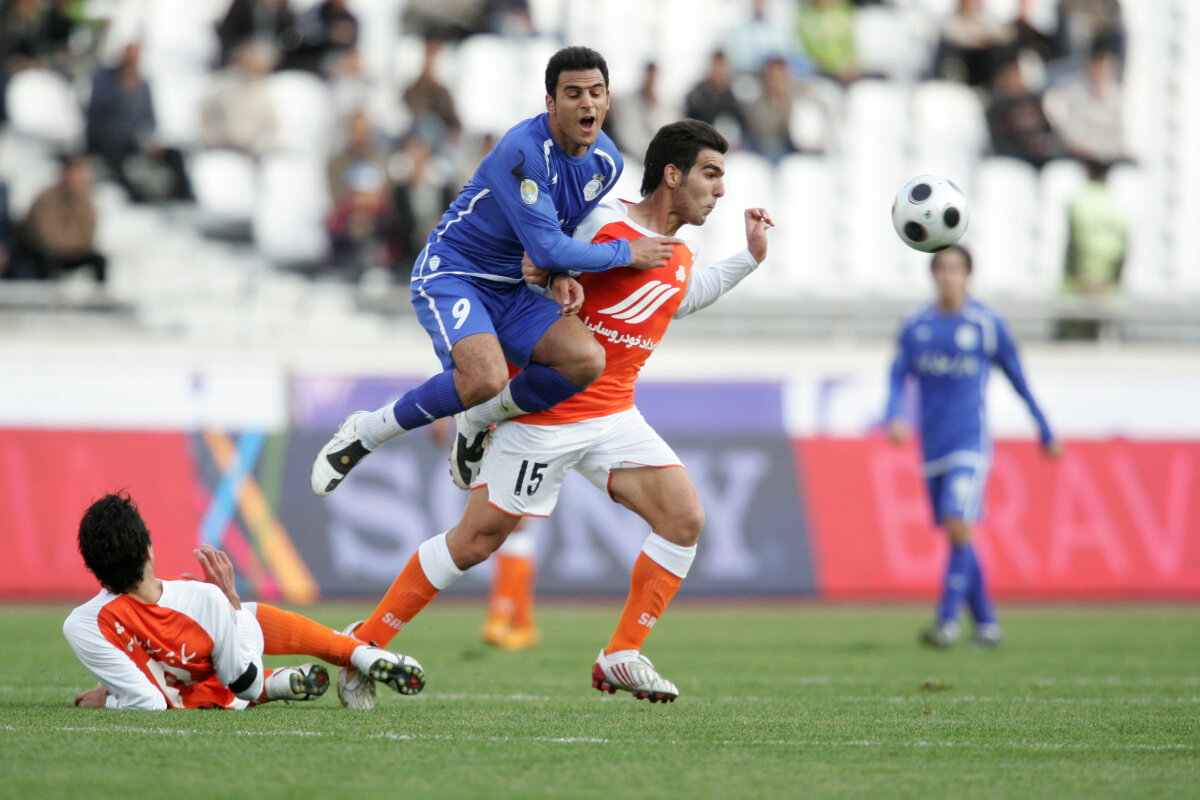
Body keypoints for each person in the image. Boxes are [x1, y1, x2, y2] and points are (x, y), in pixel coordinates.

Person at [337, 119, 773, 705]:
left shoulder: (677, 254)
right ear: (673, 175)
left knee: (684, 519)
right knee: (474, 543)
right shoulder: (601, 221)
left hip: (614, 416)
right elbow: (529, 273)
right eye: (711, 174)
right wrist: (544, 279)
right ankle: (362, 644)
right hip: (544, 416)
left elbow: (680, 298)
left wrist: (749, 258)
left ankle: (621, 654)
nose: (721, 189)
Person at [309, 46, 683, 497]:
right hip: (456, 273)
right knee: (485, 378)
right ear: (551, 103)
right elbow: (545, 244)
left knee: (585, 361)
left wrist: (559, 274)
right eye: (573, 93)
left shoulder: (606, 162)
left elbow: (557, 231)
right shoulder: (523, 150)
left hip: (514, 287)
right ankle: (366, 431)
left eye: (596, 92)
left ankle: (478, 420)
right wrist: (625, 253)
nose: (587, 103)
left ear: (608, 100)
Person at [64, 492, 425, 710]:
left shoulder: (82, 624)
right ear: (148, 549)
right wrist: (231, 605)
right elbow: (242, 681)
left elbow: (146, 695)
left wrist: (109, 696)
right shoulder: (200, 596)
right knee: (242, 616)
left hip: (189, 688)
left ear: (94, 568)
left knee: (218, 632)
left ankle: (281, 682)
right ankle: (355, 651)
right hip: (228, 684)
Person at [884, 245, 1061, 649]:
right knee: (958, 534)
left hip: (969, 441)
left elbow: (1018, 378)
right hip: (932, 445)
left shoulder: (985, 323)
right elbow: (896, 375)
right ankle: (987, 625)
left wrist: (1045, 428)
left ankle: (947, 622)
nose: (949, 276)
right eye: (942, 269)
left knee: (957, 521)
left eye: (956, 269)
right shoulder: (916, 324)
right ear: (933, 275)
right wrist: (894, 414)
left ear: (967, 275)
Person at [14, 154, 107, 283]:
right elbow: (45, 233)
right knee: (45, 260)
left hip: (74, 253)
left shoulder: (85, 201)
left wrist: (74, 249)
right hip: (47, 252)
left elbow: (88, 232)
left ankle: (100, 294)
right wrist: (65, 247)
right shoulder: (48, 198)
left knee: (99, 260)